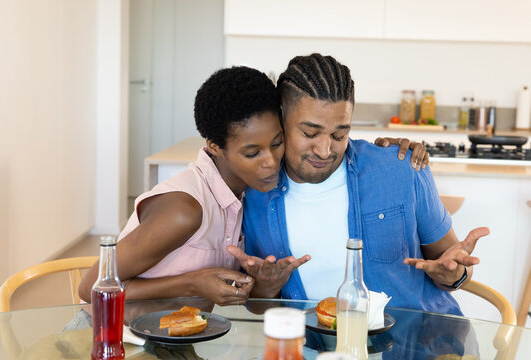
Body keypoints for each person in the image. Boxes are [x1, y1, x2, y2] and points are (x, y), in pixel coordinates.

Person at [78, 65, 428, 306]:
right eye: (251, 152)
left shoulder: (249, 197)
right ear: (213, 146)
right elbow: (90, 286)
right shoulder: (186, 209)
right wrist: (193, 282)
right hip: (114, 341)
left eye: (277, 143)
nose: (271, 162)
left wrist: (381, 151)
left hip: (174, 338)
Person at [230, 53, 489, 315]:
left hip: (416, 344)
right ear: (281, 117)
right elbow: (259, 306)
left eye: (339, 134)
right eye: (309, 133)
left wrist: (454, 274)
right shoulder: (253, 194)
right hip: (312, 350)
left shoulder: (401, 168)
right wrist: (265, 287)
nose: (324, 150)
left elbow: (455, 269)